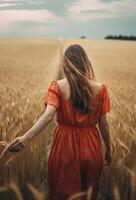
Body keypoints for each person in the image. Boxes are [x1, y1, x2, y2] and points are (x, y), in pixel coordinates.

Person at [9, 44, 112, 200]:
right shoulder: (100, 89)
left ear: (65, 63)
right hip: (91, 147)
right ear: (86, 62)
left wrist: (26, 137)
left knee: (62, 192)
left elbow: (48, 115)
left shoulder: (57, 87)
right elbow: (104, 124)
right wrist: (109, 150)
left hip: (65, 146)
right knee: (89, 193)